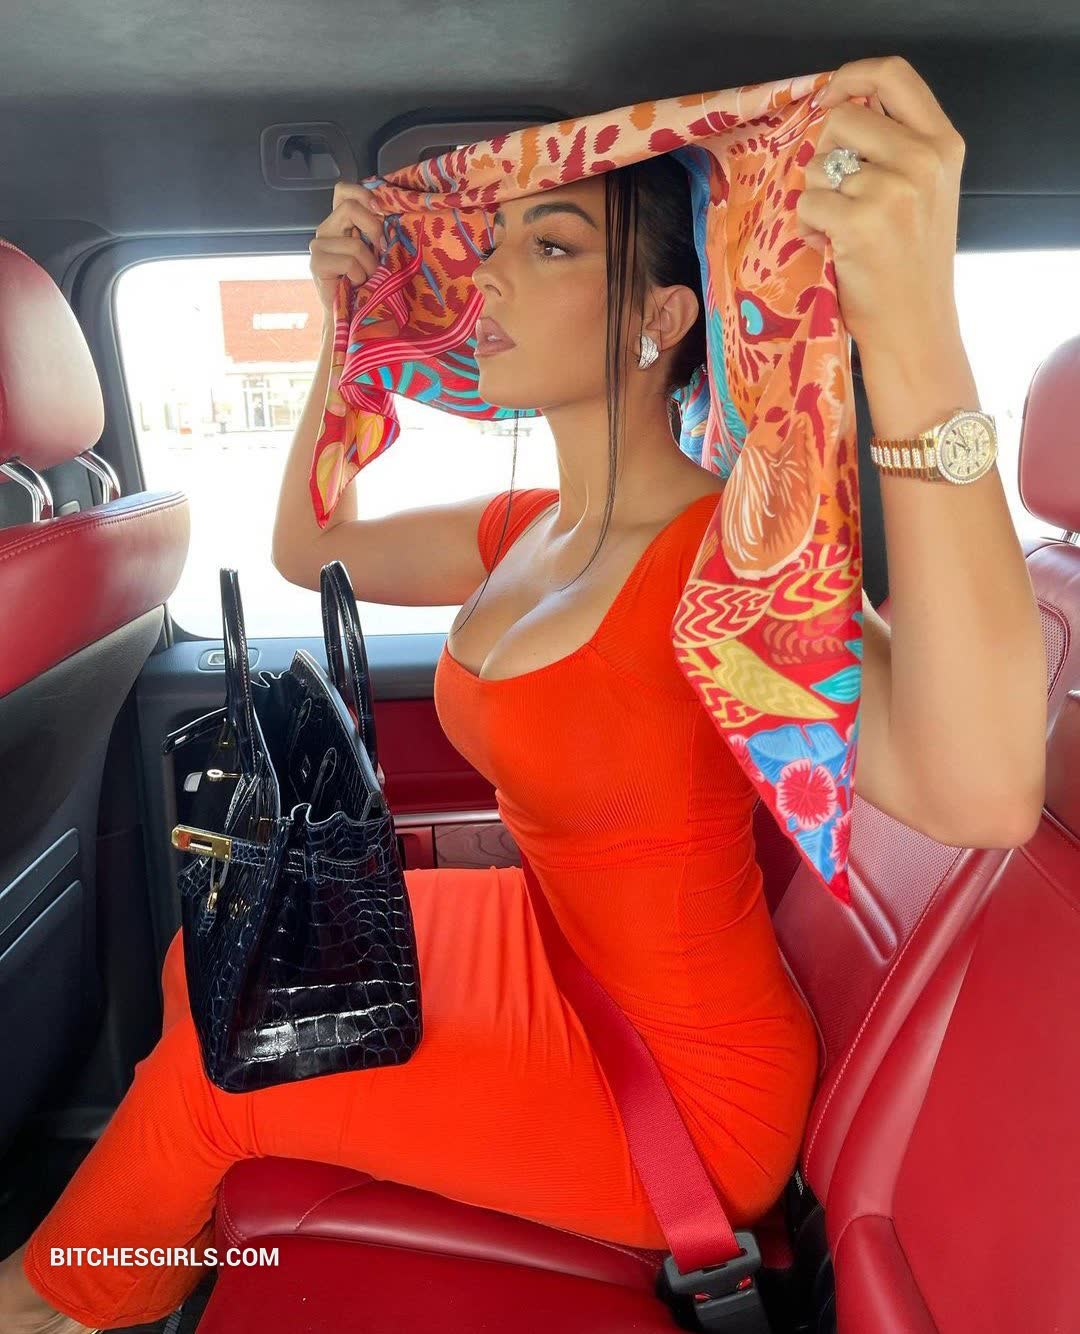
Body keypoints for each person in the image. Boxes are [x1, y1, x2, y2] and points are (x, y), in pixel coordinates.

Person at [0, 156, 820, 1333]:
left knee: (225, 1071)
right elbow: (310, 545)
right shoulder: (531, 525)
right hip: (561, 945)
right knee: (212, 957)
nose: (490, 277)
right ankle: (157, 1242)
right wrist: (342, 327)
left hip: (683, 1080)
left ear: (663, 315)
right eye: (494, 245)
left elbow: (935, 761)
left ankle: (51, 1297)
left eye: (550, 245)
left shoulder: (726, 555)